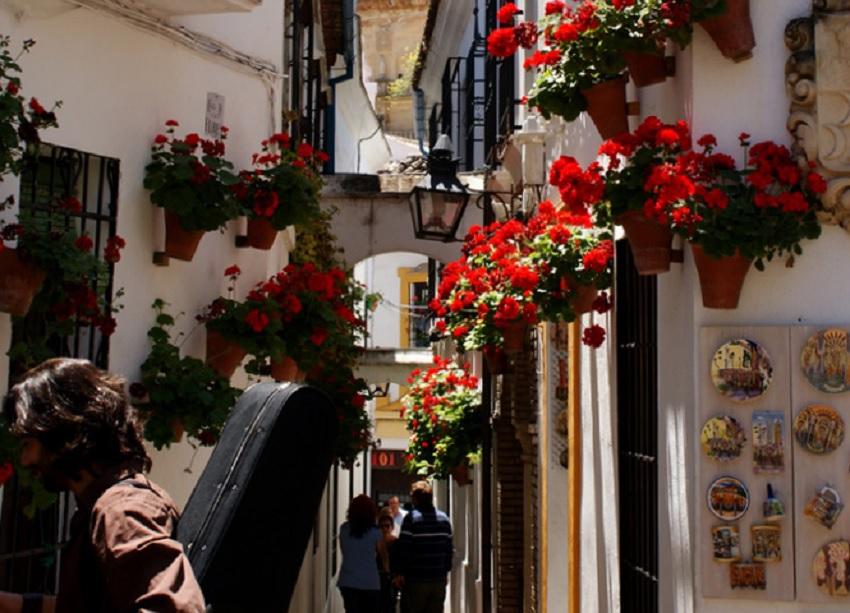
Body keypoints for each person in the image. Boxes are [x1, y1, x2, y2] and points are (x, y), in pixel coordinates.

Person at [0, 357, 206, 613]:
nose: (25, 460)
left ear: (60, 433)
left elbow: (175, 609)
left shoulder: (121, 511)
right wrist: (15, 605)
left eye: (28, 444)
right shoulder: (102, 505)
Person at [395, 481, 453, 613]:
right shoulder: (444, 519)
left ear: (415, 499)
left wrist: (400, 572)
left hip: (416, 580)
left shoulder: (411, 519)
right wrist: (445, 571)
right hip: (438, 580)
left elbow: (404, 549)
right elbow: (448, 549)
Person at [338, 494, 385, 613]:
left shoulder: (344, 529)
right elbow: (383, 555)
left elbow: (344, 551)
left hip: (348, 580)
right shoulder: (376, 532)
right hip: (370, 581)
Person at [378, 509, 399, 613]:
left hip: (391, 581)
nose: (385, 529)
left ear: (391, 527)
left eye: (387, 526)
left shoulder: (395, 542)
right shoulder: (374, 543)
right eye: (382, 526)